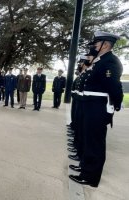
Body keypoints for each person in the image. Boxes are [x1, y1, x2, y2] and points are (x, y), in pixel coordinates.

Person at [69, 31, 124, 188]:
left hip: (98, 107)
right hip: (90, 105)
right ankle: (85, 168)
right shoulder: (100, 61)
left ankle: (90, 176)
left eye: (96, 44)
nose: (94, 46)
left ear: (106, 45)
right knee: (88, 138)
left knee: (94, 142)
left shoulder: (111, 62)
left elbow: (113, 87)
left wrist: (115, 105)